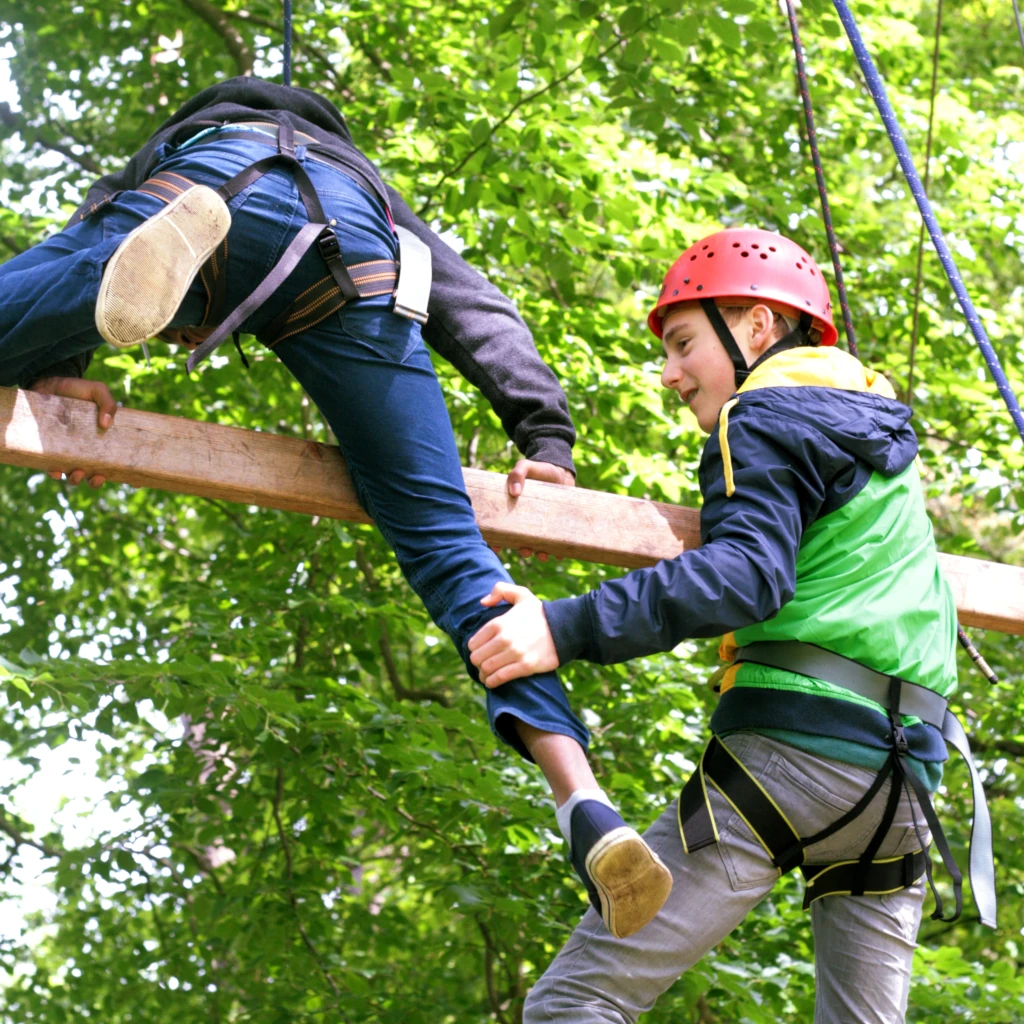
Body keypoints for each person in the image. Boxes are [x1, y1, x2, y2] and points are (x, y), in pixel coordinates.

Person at [0, 77, 671, 939]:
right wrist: (546, 441)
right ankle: (582, 796)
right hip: (353, 258)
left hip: (203, 189)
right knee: (450, 554)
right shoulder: (367, 178)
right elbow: (474, 307)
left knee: (71, 275)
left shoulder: (192, 136)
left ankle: (168, 271)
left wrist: (58, 359)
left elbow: (85, 230)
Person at [468, 228, 993, 1022]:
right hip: (905, 786)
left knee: (576, 1004)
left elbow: (745, 574)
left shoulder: (762, 415)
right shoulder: (877, 435)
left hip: (793, 754)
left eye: (682, 343)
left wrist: (563, 626)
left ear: (756, 327)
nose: (669, 373)